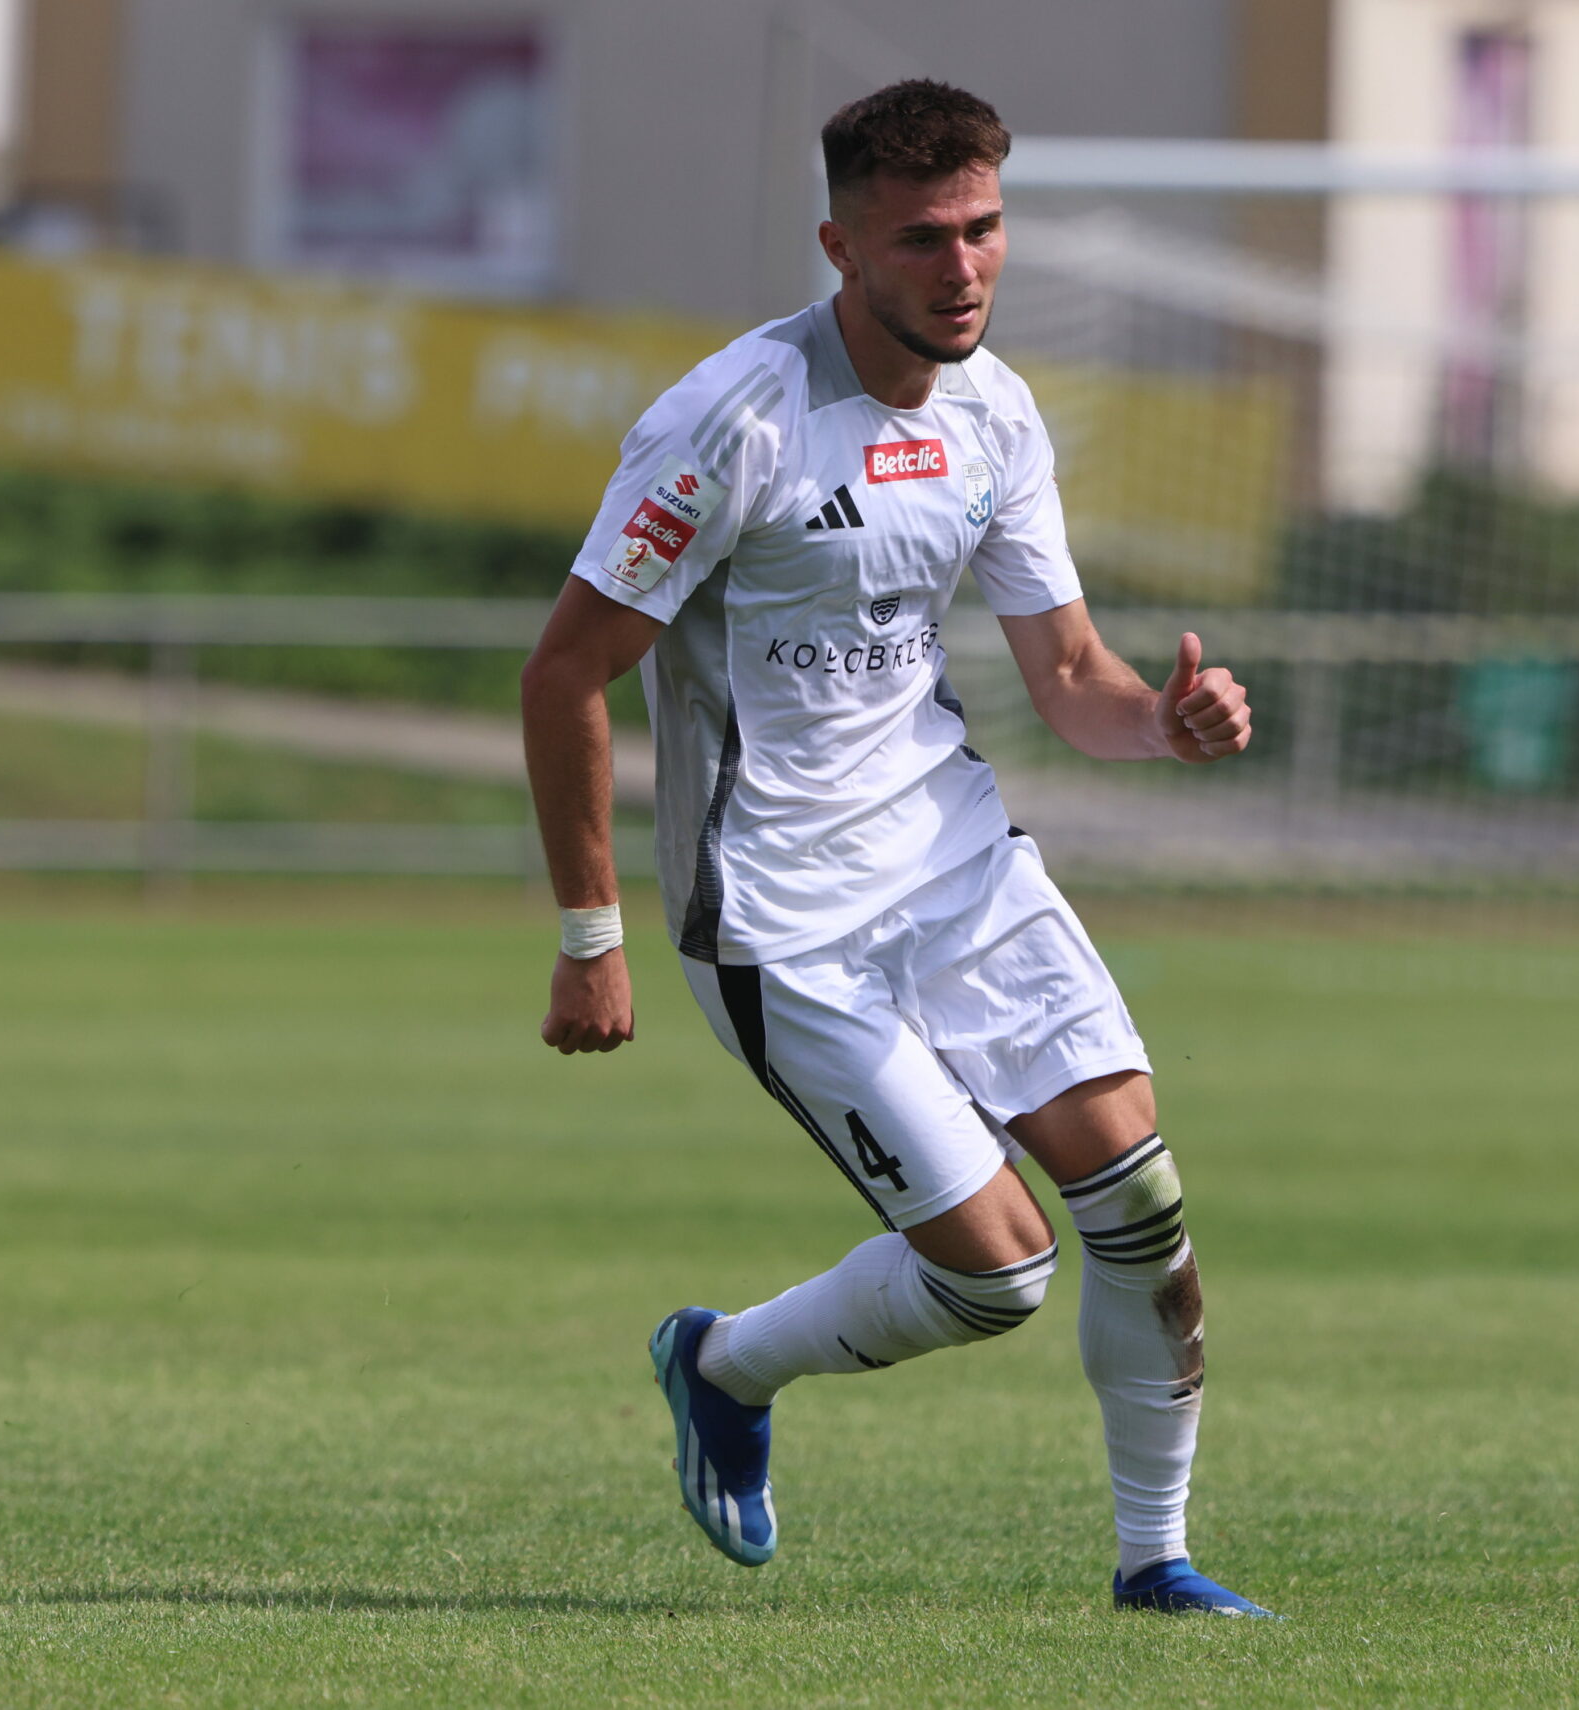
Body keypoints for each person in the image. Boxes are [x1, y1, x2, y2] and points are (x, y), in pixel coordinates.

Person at [518, 80, 1271, 1618]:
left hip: (960, 869)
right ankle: (722, 1363)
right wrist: (592, 934)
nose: (965, 265)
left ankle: (1156, 1560)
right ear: (841, 244)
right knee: (998, 1273)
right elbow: (563, 673)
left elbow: (1073, 681)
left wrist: (1168, 721)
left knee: (1143, 1205)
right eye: (925, 237)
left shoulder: (997, 410)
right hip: (781, 914)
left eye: (985, 227)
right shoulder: (730, 422)